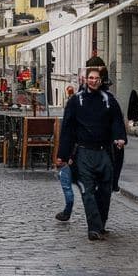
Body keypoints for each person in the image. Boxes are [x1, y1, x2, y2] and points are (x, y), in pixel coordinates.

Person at [57, 67, 127, 241]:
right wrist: (63, 155)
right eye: (90, 78)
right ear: (85, 79)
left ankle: (101, 224)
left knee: (104, 190)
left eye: (96, 78)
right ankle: (93, 229)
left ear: (101, 80)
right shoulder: (75, 101)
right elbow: (67, 129)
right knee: (87, 191)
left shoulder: (109, 100)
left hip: (104, 152)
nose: (93, 81)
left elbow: (117, 120)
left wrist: (119, 137)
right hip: (83, 152)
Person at [54, 85, 78, 221]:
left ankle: (68, 210)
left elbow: (66, 134)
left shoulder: (73, 105)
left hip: (73, 154)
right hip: (86, 153)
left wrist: (62, 156)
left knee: (66, 182)